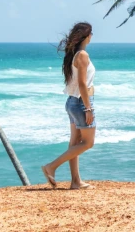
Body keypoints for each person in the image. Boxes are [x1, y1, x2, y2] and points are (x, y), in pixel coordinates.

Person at [42, 22, 96, 190]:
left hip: (72, 102)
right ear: (87, 36)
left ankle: (75, 181)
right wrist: (88, 108)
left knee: (75, 143)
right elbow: (82, 84)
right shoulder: (82, 55)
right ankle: (51, 166)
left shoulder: (75, 54)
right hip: (81, 103)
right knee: (88, 143)